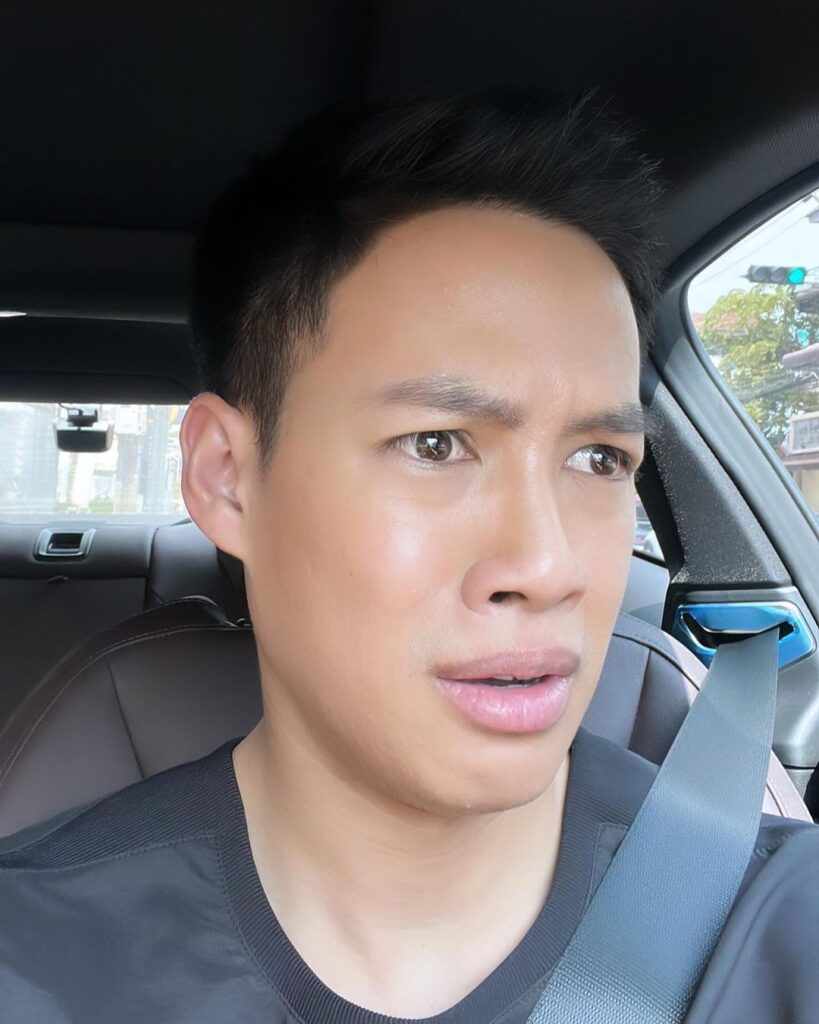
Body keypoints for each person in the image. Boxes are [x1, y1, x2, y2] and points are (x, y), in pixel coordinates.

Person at [1, 92, 816, 1024]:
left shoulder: (778, 928)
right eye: (436, 445)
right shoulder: (33, 956)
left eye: (598, 459)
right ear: (227, 478)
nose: (550, 567)